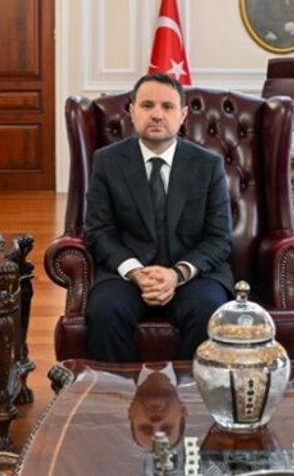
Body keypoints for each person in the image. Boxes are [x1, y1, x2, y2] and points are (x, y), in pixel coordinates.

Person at [84, 73, 233, 362]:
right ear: (132, 111)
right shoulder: (107, 161)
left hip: (193, 275)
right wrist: (137, 273)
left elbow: (219, 238)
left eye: (167, 106)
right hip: (127, 273)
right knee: (105, 312)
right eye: (147, 105)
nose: (156, 114)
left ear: (183, 115)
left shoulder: (208, 165)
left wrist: (177, 274)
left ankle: (193, 391)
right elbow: (99, 231)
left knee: (208, 311)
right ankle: (117, 390)